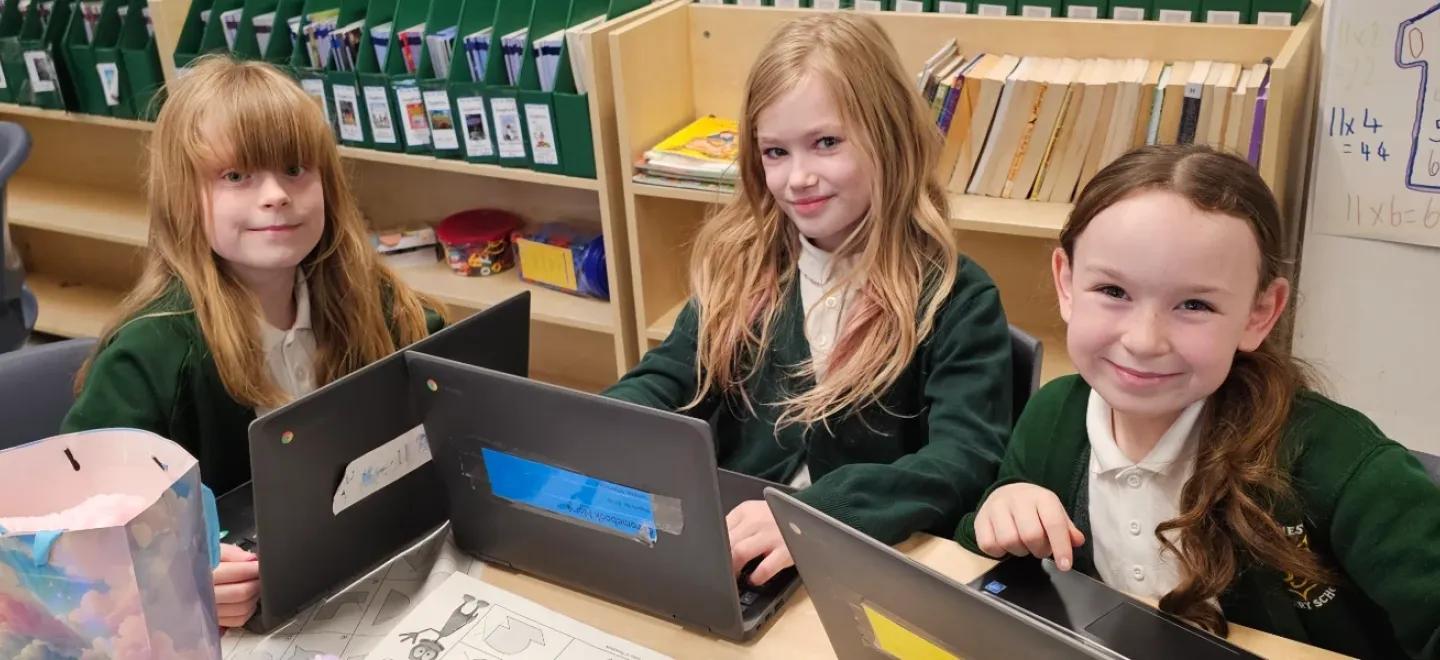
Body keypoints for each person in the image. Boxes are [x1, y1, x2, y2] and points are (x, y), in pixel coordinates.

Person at [960, 145, 1440, 658]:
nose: (1144, 340)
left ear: (1259, 314)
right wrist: (1001, 510)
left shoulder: (1334, 458)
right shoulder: (1054, 413)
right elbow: (980, 553)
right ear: (1067, 283)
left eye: (1194, 304)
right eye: (1113, 291)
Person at [606, 13, 1013, 587]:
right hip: (741, 550)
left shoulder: (956, 296)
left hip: (870, 557)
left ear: (889, 138)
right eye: (775, 152)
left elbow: (962, 462)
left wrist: (810, 517)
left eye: (826, 143)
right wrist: (597, 429)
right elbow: (669, 377)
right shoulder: (742, 267)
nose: (798, 178)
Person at [62, 55, 443, 628]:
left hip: (361, 571)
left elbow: (454, 397)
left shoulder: (374, 301)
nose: (276, 196)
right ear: (183, 198)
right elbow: (70, 540)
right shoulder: (150, 356)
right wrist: (180, 583)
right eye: (236, 176)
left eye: (295, 169)